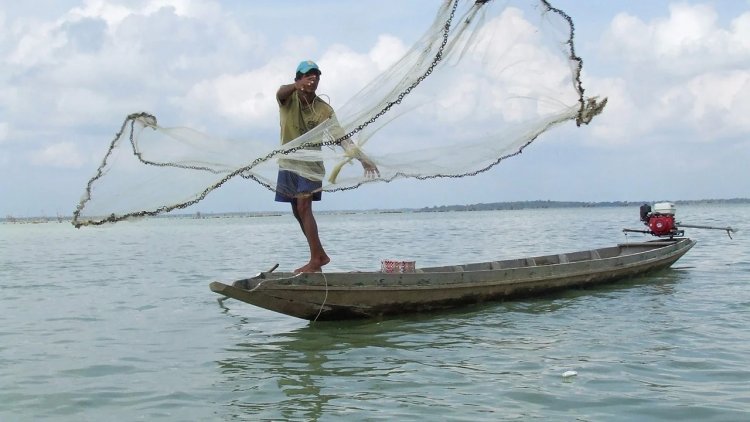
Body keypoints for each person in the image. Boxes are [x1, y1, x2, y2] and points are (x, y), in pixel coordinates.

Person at [275, 60, 378, 273]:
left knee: (304, 207)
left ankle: (316, 259)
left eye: (316, 76)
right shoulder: (288, 99)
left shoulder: (324, 109)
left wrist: (362, 158)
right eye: (308, 75)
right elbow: (280, 92)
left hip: (310, 165)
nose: (313, 79)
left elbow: (343, 138)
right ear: (298, 79)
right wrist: (295, 87)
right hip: (288, 163)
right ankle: (319, 255)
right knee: (296, 210)